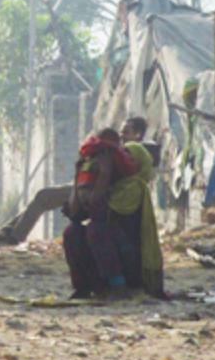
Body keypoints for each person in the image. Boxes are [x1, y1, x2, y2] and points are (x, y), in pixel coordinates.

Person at [0, 116, 153, 246]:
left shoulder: (132, 151)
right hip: (90, 186)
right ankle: (8, 232)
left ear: (138, 135)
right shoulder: (121, 150)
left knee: (43, 197)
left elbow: (113, 175)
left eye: (126, 132)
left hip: (97, 192)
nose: (121, 136)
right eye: (121, 131)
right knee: (42, 198)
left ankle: (13, 237)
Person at [61, 128, 164, 299]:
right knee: (72, 232)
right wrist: (79, 174)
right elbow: (76, 213)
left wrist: (104, 173)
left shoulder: (135, 188)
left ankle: (118, 286)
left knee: (96, 230)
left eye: (130, 157)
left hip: (131, 266)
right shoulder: (112, 185)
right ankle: (83, 287)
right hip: (109, 259)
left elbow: (98, 211)